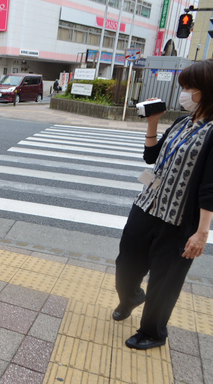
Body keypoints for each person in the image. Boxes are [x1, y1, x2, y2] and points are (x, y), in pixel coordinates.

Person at [113, 59, 213, 350]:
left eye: (188, 88)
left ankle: (153, 332)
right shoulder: (184, 122)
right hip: (147, 206)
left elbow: (210, 186)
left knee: (164, 281)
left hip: (179, 221)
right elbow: (152, 158)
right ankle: (130, 296)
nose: (183, 94)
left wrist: (202, 232)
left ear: (205, 90)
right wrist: (153, 123)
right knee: (126, 264)